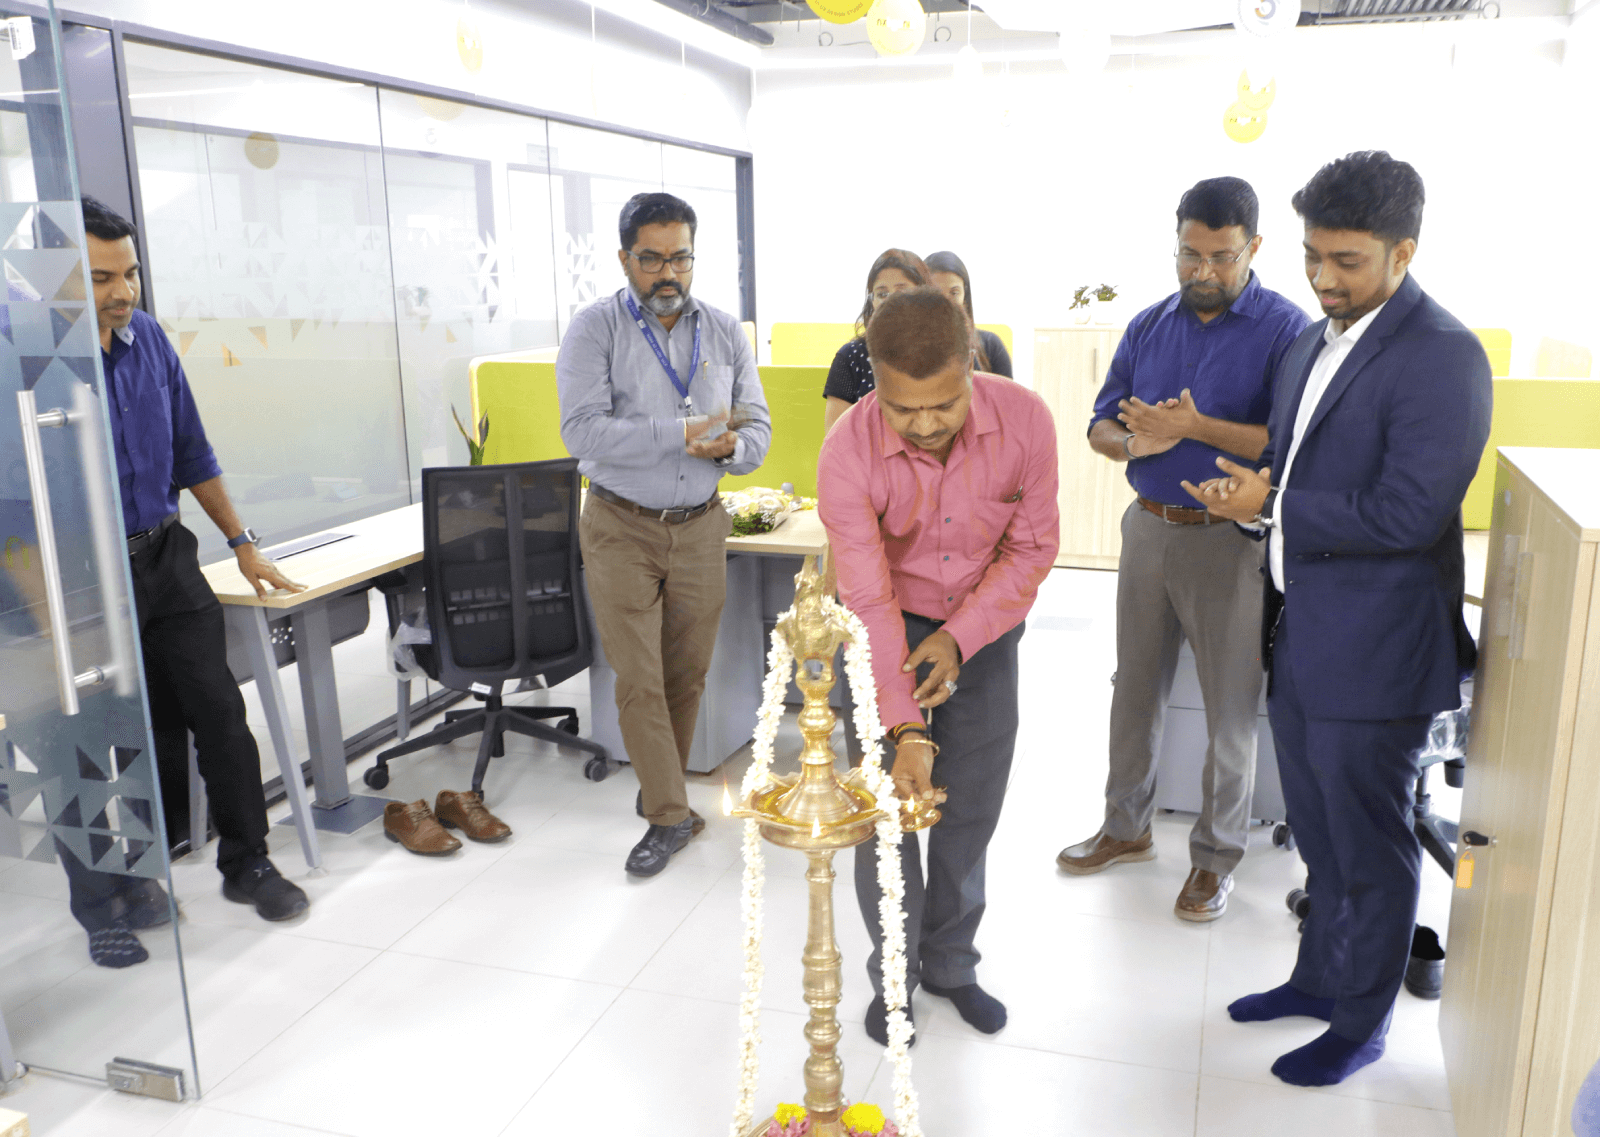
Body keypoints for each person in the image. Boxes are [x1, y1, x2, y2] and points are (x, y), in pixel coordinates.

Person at [1185, 152, 1491, 1087]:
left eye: (1347, 261)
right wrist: (1253, 495)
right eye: (1315, 255)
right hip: (1304, 636)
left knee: (1371, 847)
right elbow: (1291, 460)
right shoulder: (1317, 340)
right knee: (1319, 839)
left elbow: (1409, 513)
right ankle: (1319, 980)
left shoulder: (1443, 355)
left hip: (1381, 656)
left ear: (1404, 251)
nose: (1323, 277)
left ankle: (1361, 1022)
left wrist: (1272, 505)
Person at [1056, 177, 1310, 922]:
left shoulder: (1286, 330)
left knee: (1232, 708)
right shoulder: (1146, 326)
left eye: (1220, 258)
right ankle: (1126, 826)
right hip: (1147, 527)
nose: (1202, 272)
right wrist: (1138, 440)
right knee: (1132, 689)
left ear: (1253, 248)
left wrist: (1196, 428)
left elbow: (1282, 441)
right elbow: (1100, 424)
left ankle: (1214, 856)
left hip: (1228, 541)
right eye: (1189, 255)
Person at [70, 196, 311, 968]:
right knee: (91, 743)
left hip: (166, 559)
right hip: (77, 575)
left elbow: (192, 452)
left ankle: (248, 863)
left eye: (131, 272)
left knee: (219, 712)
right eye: (102, 276)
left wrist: (242, 543)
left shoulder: (149, 342)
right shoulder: (32, 361)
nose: (124, 291)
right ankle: (106, 898)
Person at [818, 288, 1059, 1045]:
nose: (923, 425)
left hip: (985, 629)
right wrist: (905, 724)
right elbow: (864, 593)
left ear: (973, 366)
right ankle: (893, 977)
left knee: (969, 808)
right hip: (884, 625)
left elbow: (1030, 549)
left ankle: (952, 964)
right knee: (885, 819)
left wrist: (960, 638)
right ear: (876, 386)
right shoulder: (847, 449)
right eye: (902, 409)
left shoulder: (1026, 421)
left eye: (942, 405)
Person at [557, 192, 771, 878]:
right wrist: (679, 435)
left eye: (680, 256)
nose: (667, 272)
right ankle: (668, 815)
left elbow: (757, 428)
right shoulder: (595, 331)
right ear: (625, 258)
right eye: (651, 258)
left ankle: (668, 800)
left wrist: (730, 452)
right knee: (639, 678)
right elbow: (581, 431)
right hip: (620, 523)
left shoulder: (726, 330)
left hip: (702, 525)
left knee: (686, 674)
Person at [822, 249, 930, 433]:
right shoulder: (851, 357)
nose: (890, 301)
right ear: (872, 301)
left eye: (901, 291)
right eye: (882, 294)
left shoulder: (945, 350)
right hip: (867, 460)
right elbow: (836, 439)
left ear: (925, 295)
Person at [925, 250, 1014, 380]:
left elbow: (1007, 398)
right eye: (935, 293)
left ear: (964, 296)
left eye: (954, 293)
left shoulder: (991, 346)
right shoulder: (906, 350)